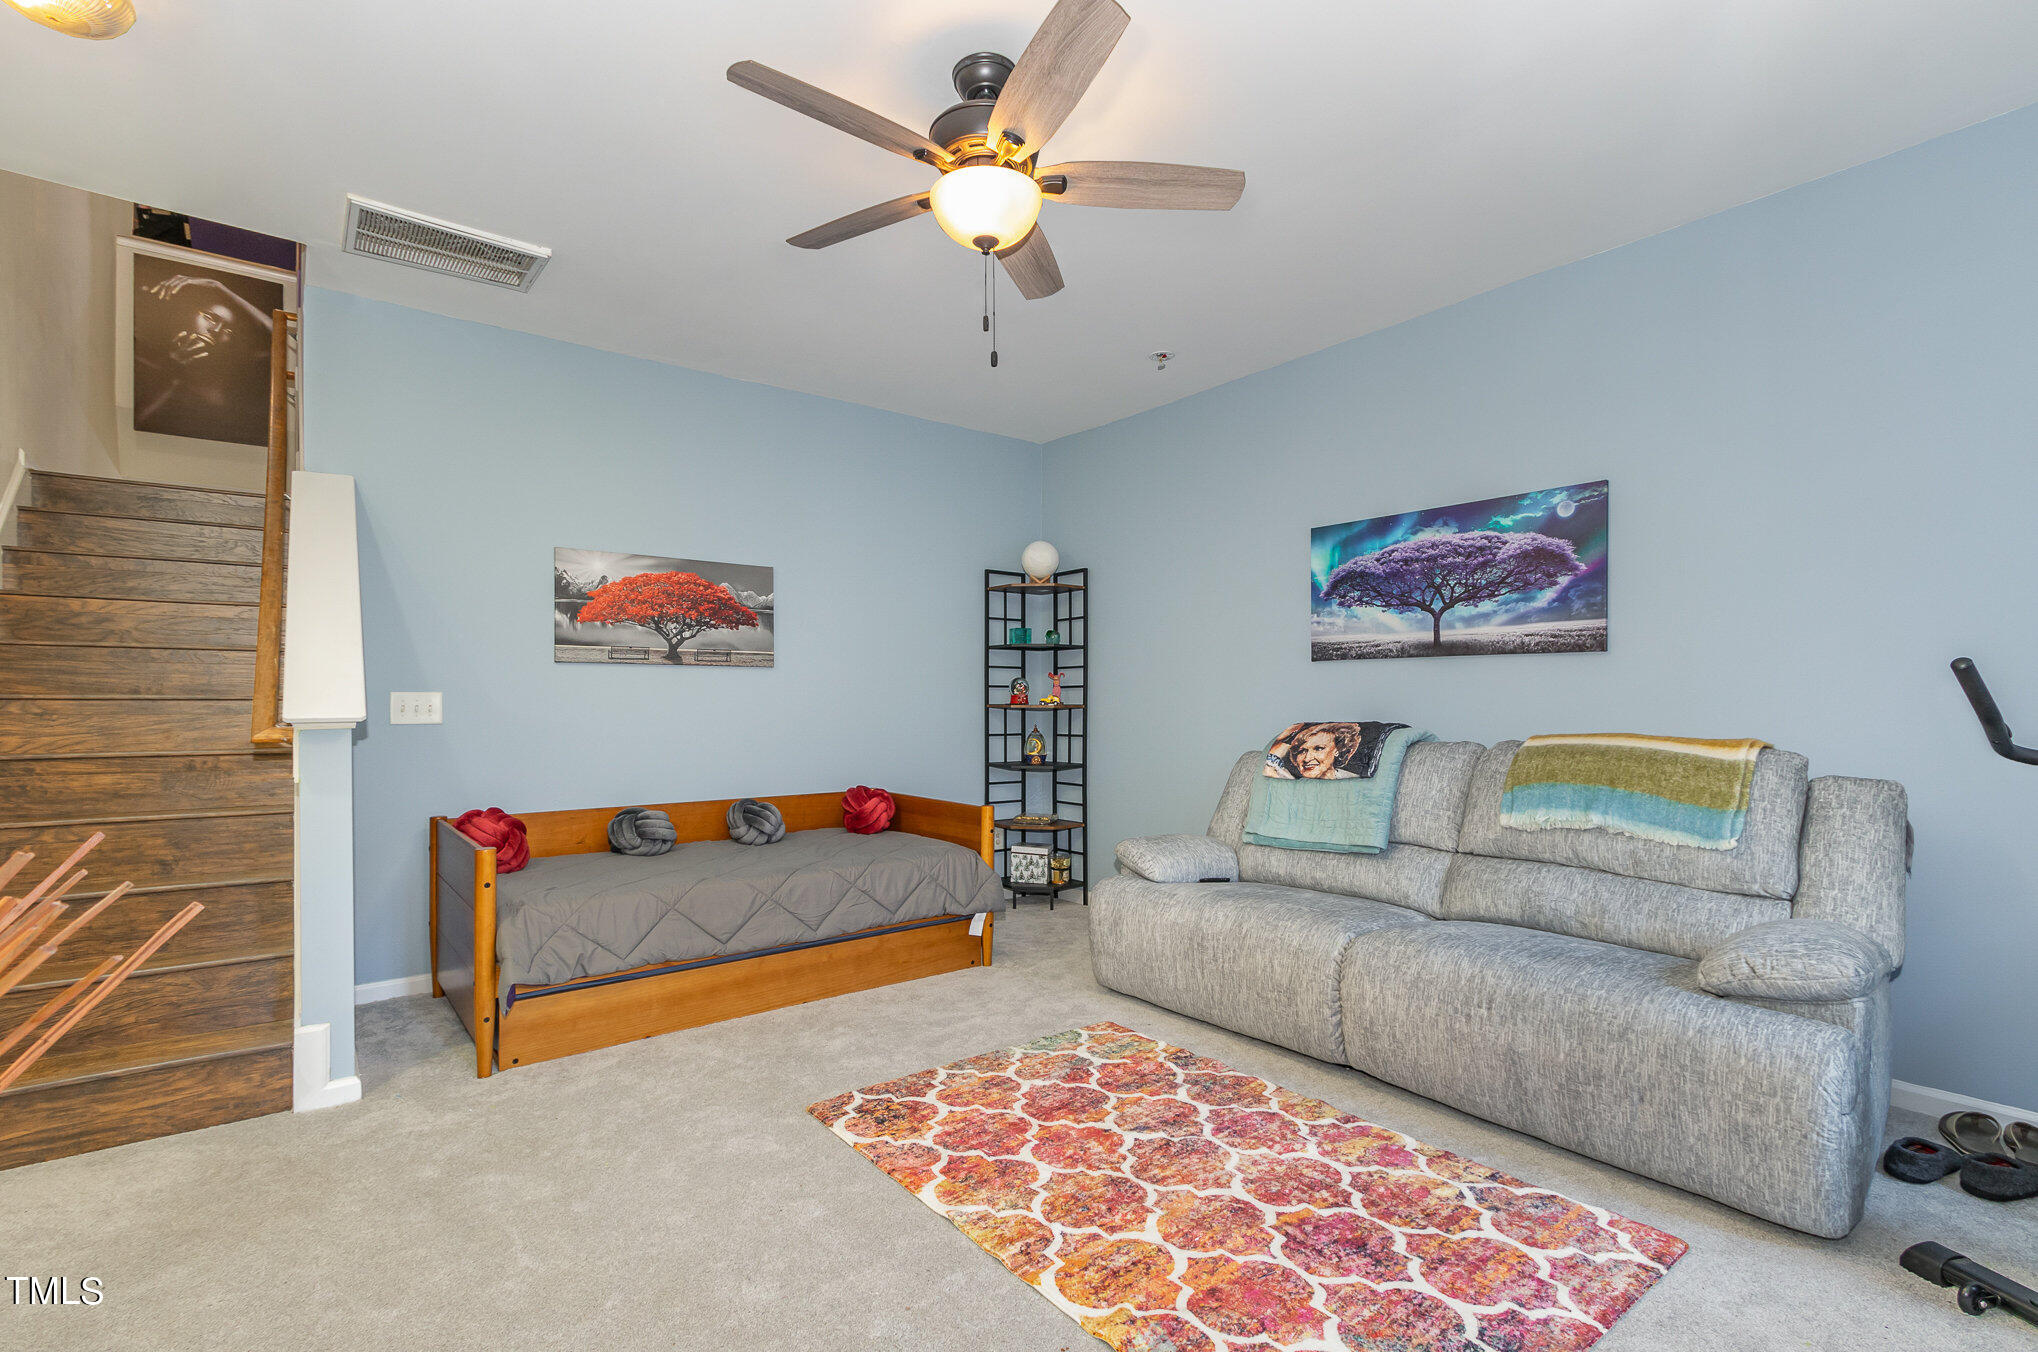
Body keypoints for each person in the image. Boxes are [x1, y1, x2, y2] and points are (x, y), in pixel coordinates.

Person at [134, 270, 277, 444]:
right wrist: (171, 372)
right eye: (210, 317)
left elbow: (279, 338)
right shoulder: (143, 360)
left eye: (227, 329)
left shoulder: (241, 374)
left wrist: (217, 286)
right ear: (188, 315)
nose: (215, 330)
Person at [1267, 722, 1362, 779]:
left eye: (1319, 748)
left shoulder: (1354, 779)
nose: (1307, 758)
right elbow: (1269, 765)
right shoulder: (1284, 776)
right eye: (1302, 751)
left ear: (1337, 750)